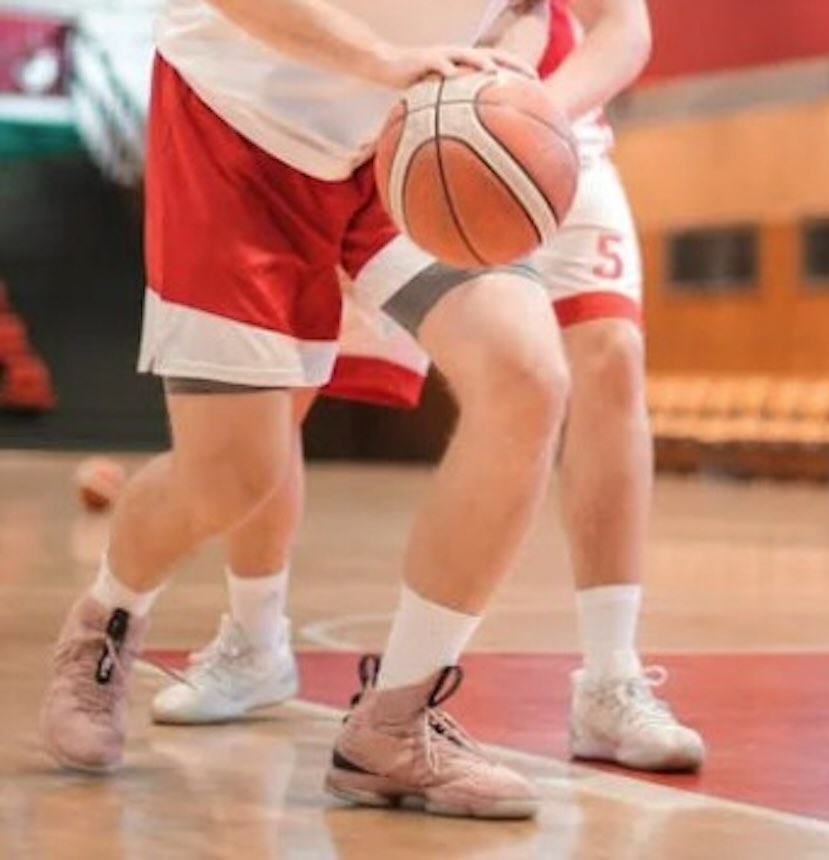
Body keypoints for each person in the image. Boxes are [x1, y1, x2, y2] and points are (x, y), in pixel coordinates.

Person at [40, 0, 569, 821]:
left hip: (409, 132)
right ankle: (106, 618)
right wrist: (377, 60)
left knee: (527, 374)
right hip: (237, 127)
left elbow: (530, 10)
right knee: (230, 479)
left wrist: (506, 70)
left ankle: (396, 721)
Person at [150, 0, 705, 775]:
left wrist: (538, 107)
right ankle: (252, 636)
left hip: (542, 120)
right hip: (389, 119)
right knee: (285, 386)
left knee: (607, 354)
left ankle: (611, 680)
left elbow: (625, 24)